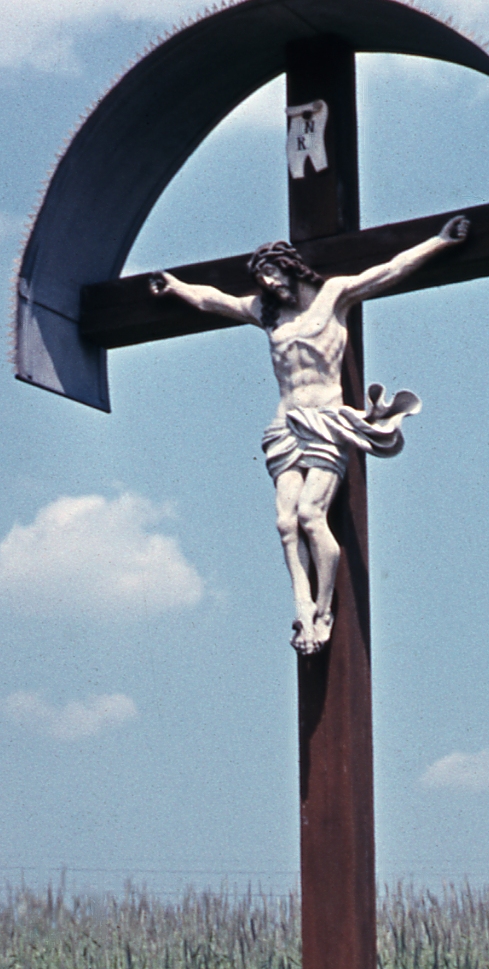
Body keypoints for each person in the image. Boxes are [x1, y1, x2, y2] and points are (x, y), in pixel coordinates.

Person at [151, 214, 470, 653]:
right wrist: (176, 287)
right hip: (284, 424)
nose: (268, 283)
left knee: (310, 514)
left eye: (271, 272)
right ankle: (301, 605)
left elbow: (390, 269)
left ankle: (323, 608)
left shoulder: (334, 296)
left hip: (324, 421)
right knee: (285, 522)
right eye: (262, 278)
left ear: (290, 267)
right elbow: (214, 300)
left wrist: (439, 241)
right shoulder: (266, 314)